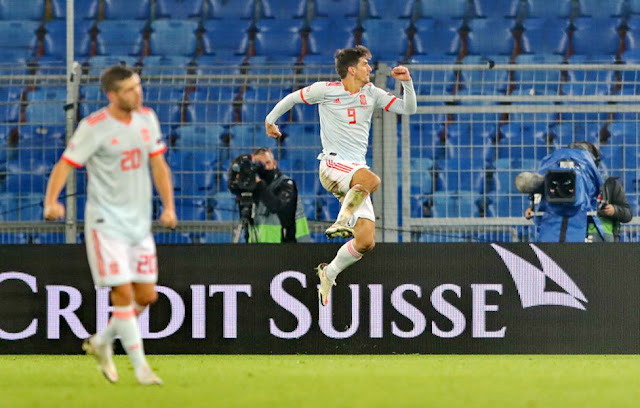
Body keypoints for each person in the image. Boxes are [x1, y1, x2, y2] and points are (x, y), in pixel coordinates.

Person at [44, 66, 177, 385]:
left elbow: (158, 165)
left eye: (138, 86)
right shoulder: (94, 127)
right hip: (105, 223)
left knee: (145, 296)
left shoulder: (147, 119)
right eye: (130, 89)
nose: (137, 92)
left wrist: (169, 206)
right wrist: (51, 201)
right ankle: (141, 369)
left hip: (138, 223)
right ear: (112, 95)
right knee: (121, 292)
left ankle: (102, 340)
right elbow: (65, 164)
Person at [264, 45, 417, 306]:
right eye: (366, 64)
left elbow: (408, 109)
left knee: (366, 241)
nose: (370, 68)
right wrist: (270, 121)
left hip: (354, 177)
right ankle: (342, 220)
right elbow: (291, 99)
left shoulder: (372, 94)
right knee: (371, 179)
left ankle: (329, 271)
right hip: (333, 165)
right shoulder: (326, 90)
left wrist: (408, 84)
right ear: (352, 69)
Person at [525, 141, 632, 241]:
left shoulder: (610, 184)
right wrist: (533, 208)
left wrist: (614, 210)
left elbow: (627, 214)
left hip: (600, 240)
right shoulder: (557, 181)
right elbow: (548, 203)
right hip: (566, 237)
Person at [250, 147, 310, 243]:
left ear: (274, 163)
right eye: (260, 164)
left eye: (268, 163)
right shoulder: (254, 186)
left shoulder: (286, 184)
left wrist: (259, 185)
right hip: (259, 247)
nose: (265, 167)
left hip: (289, 244)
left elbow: (277, 206)